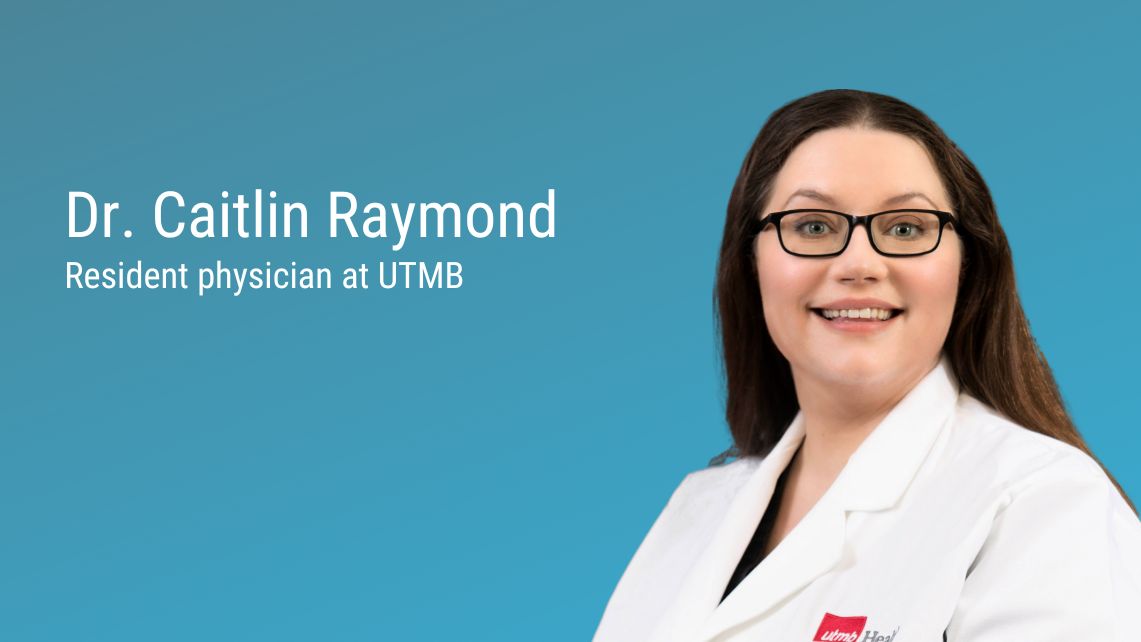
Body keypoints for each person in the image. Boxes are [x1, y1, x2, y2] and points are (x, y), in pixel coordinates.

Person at [592, 89, 1141, 642]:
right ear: (750, 261)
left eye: (905, 228)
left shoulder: (1044, 506)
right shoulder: (696, 510)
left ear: (967, 264)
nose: (859, 264)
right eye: (812, 227)